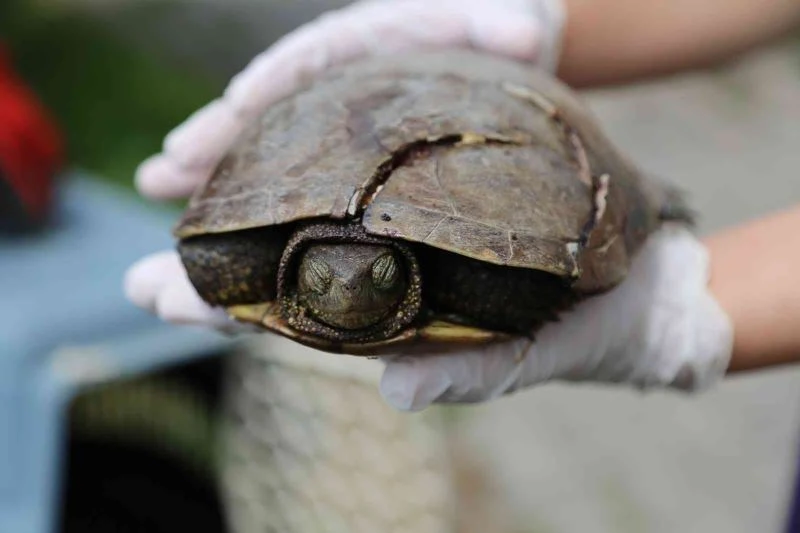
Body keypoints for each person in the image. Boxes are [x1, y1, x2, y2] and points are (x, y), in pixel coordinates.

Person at [125, 0, 800, 412]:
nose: (354, 288)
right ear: (296, 271)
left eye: (382, 276)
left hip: (518, 132)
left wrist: (702, 301)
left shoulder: (449, 274)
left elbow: (530, 265)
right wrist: (552, 20)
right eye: (326, 279)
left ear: (406, 277)